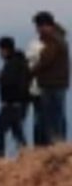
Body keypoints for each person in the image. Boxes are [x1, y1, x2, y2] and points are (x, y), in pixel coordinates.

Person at [30, 11, 69, 145]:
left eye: (39, 26)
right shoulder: (58, 38)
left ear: (48, 26)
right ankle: (58, 143)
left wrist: (30, 72)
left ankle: (54, 145)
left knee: (52, 117)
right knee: (57, 116)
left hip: (52, 84)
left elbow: (46, 60)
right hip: (57, 83)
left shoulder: (53, 41)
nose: (38, 30)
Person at [0, 36, 31, 157]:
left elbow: (11, 82)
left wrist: (0, 78)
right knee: (17, 132)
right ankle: (25, 156)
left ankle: (0, 156)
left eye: (0, 50)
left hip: (12, 103)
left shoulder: (13, 63)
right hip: (18, 103)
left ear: (6, 49)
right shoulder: (17, 61)